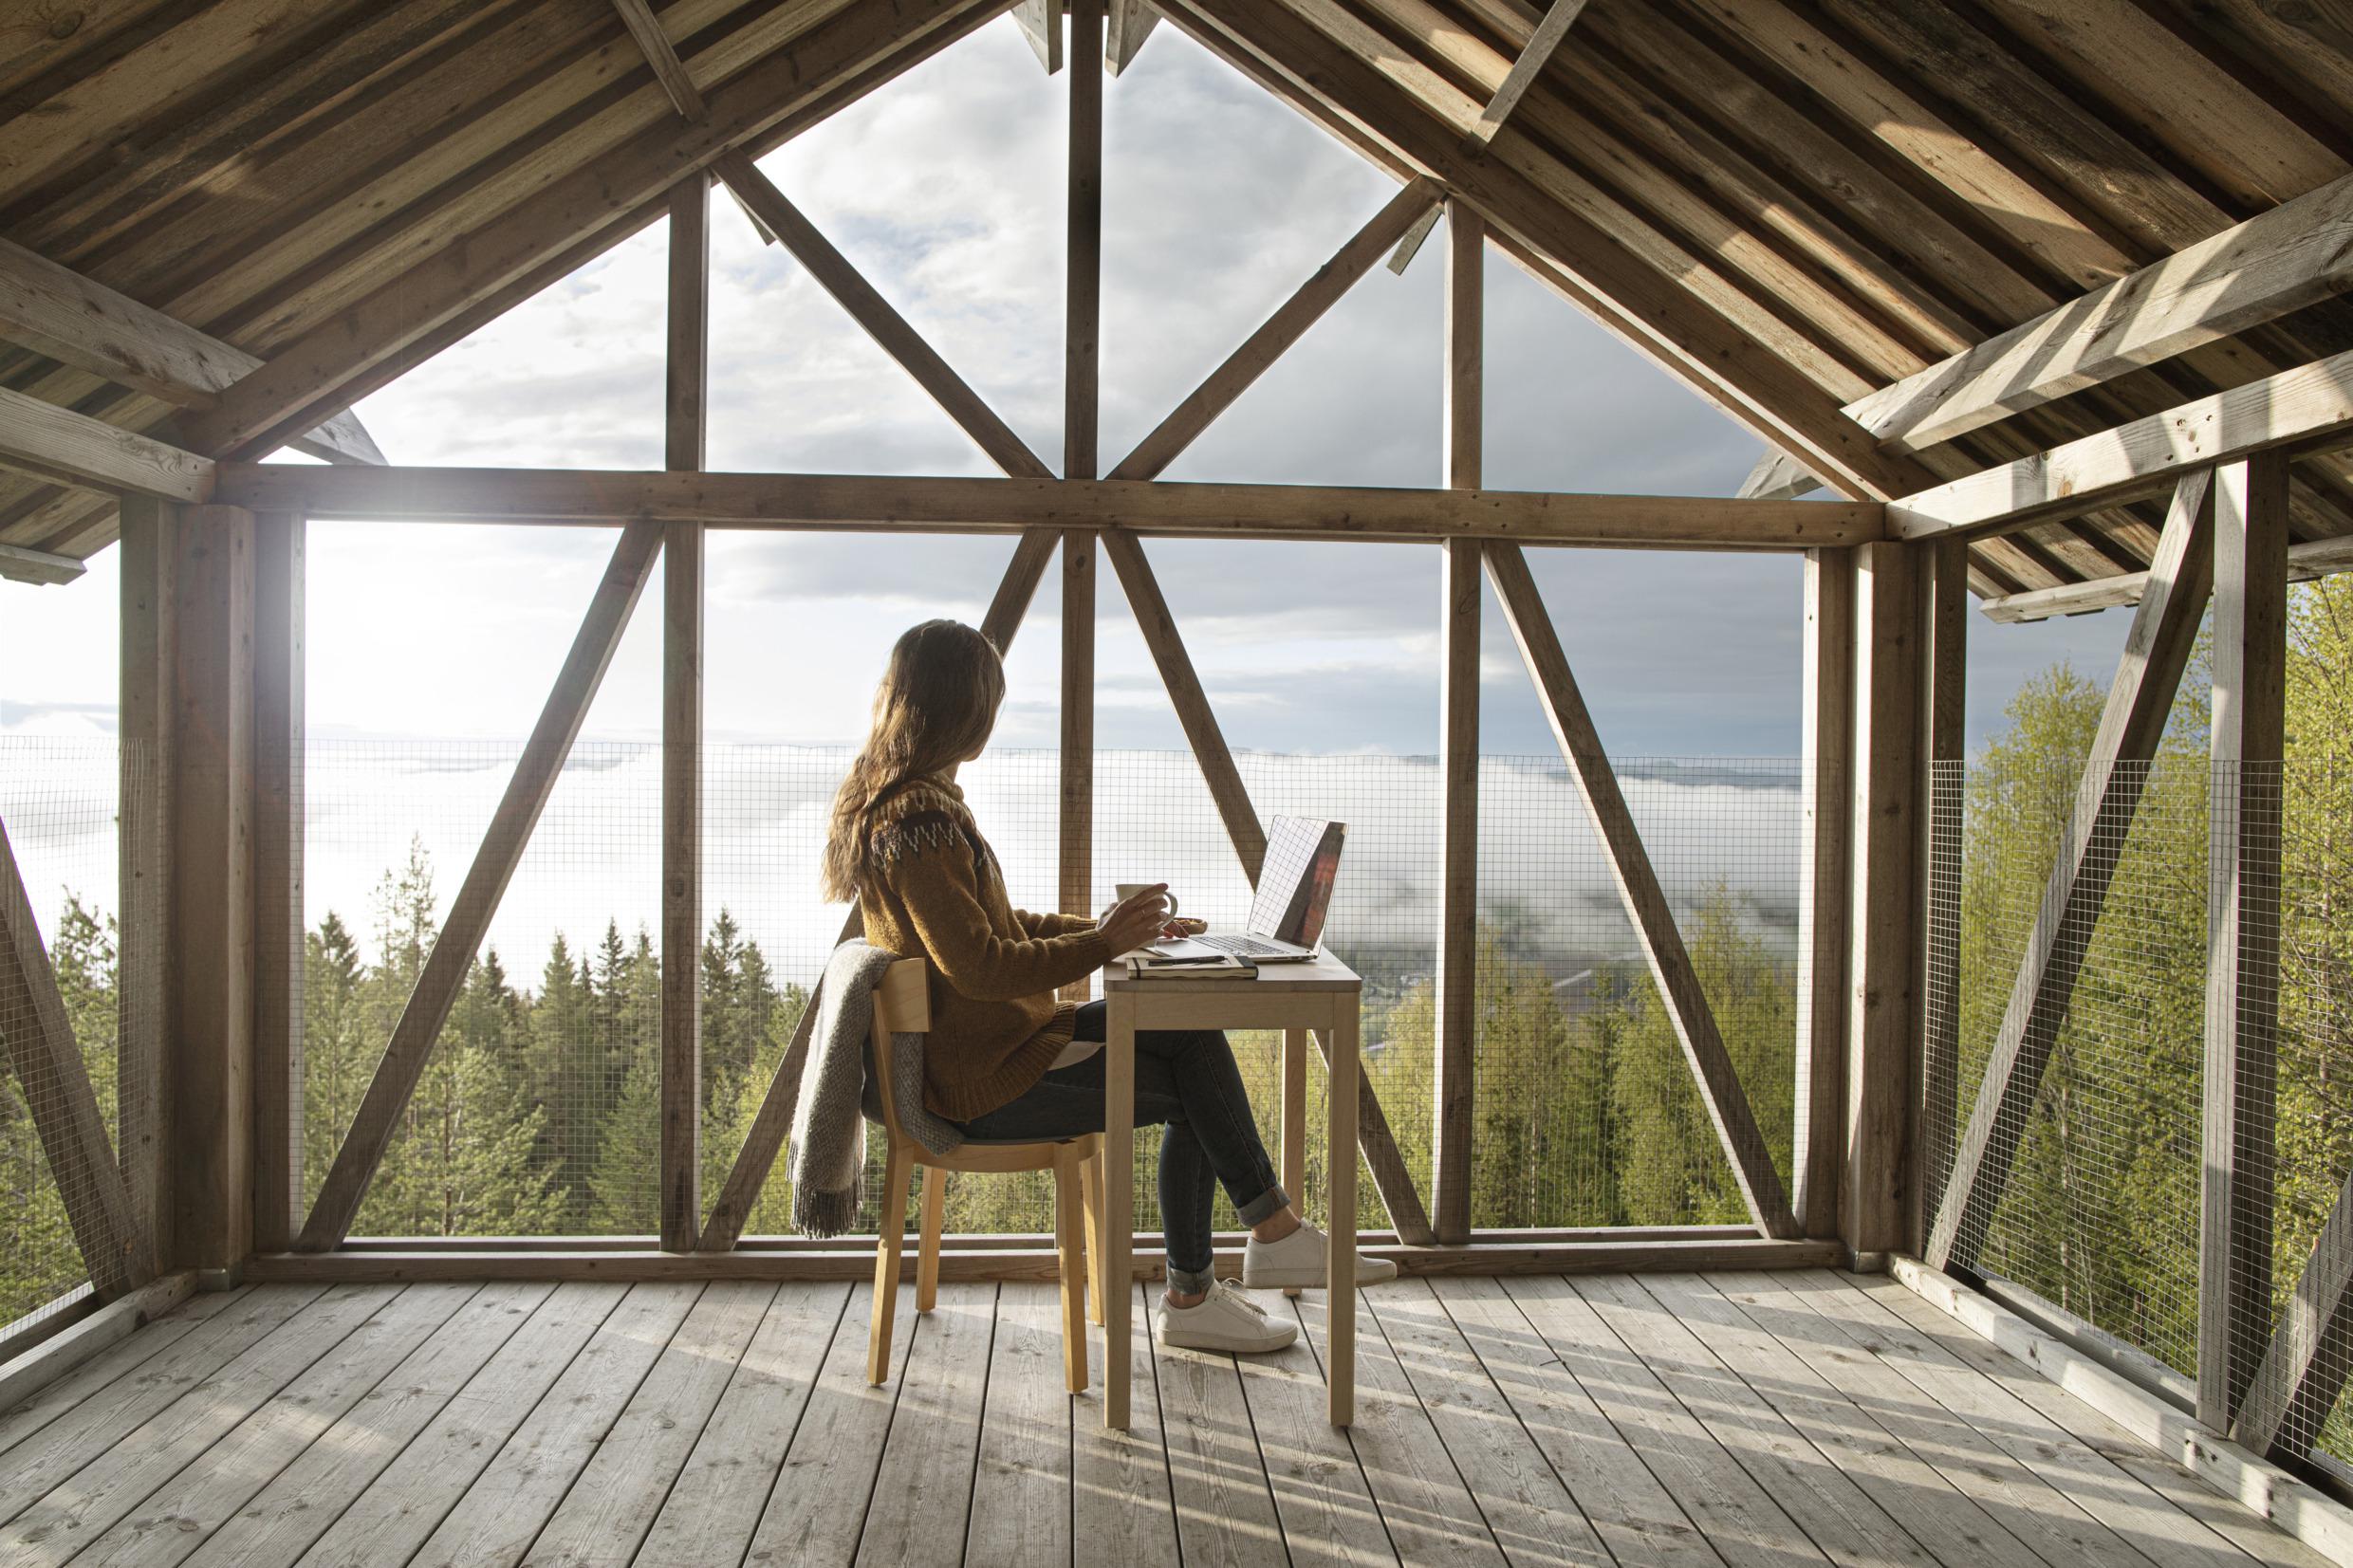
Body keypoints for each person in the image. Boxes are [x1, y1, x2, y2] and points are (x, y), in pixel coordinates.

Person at [820, 619, 1396, 1354]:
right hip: (984, 1083)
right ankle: (1219, 1276)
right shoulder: (920, 826)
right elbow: (982, 966)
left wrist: (1113, 930)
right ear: (963, 712)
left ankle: (1251, 1250)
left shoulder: (912, 810)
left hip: (998, 1051)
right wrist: (1102, 943)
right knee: (1195, 1083)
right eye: (989, 703)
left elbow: (1001, 926)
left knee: (1190, 1039)